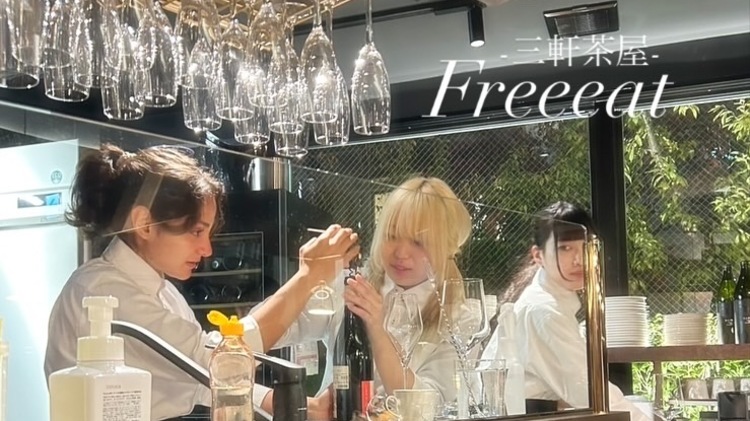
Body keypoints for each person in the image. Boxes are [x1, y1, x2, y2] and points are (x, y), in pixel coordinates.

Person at [44, 144, 360, 421]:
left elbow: (201, 382)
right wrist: (307, 278)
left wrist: (305, 407)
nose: (207, 249)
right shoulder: (101, 290)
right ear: (144, 224)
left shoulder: (165, 293)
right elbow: (218, 360)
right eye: (196, 231)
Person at [487, 201, 649, 421]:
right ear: (538, 256)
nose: (579, 259)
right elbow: (589, 392)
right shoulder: (543, 311)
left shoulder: (548, 301)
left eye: (585, 247)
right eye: (565, 248)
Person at [344, 176, 474, 403]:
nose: (401, 253)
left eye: (418, 242)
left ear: (446, 248)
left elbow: (428, 406)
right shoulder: (354, 287)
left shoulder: (459, 320)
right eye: (392, 236)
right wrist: (312, 275)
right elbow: (279, 332)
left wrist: (378, 330)